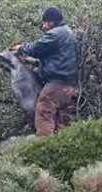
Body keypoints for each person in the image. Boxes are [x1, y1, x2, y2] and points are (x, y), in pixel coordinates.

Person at [11, 7, 79, 136]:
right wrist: (33, 62)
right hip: (70, 86)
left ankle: (45, 148)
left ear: (51, 22)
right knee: (61, 121)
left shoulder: (55, 34)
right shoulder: (69, 33)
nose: (43, 26)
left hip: (57, 85)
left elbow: (37, 48)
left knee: (43, 111)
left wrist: (21, 47)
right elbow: (59, 59)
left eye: (44, 23)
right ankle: (64, 150)